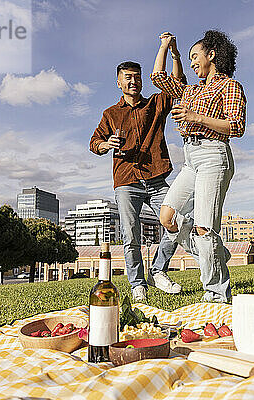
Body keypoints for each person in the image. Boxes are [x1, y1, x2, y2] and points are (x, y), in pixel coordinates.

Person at [151, 30, 247, 303]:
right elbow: (157, 77)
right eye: (190, 59)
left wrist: (196, 116)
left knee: (204, 228)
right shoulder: (191, 89)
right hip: (190, 159)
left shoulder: (230, 86)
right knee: (167, 217)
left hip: (213, 156)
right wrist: (169, 48)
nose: (193, 63)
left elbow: (236, 126)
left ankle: (215, 294)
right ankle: (215, 252)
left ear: (212, 55)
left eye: (196, 57)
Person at [89, 60, 186, 302]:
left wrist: (174, 54)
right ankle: (137, 284)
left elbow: (177, 85)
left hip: (155, 177)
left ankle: (157, 269)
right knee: (131, 235)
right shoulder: (110, 113)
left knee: (178, 221)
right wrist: (105, 144)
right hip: (126, 181)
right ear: (119, 82)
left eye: (137, 77)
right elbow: (94, 143)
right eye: (128, 77)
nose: (134, 81)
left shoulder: (155, 103)